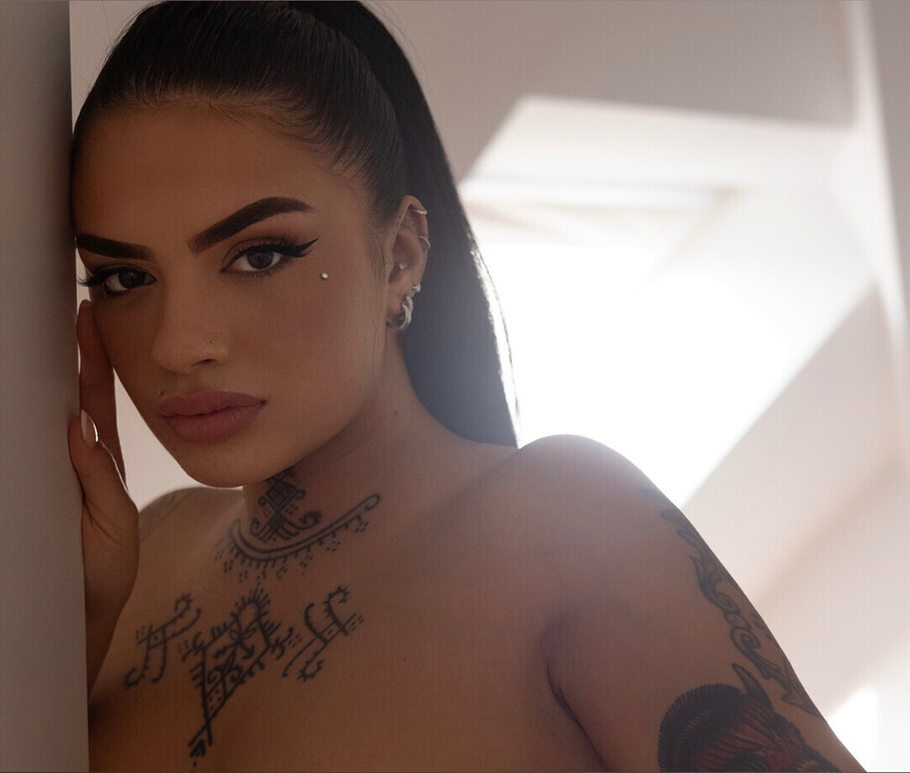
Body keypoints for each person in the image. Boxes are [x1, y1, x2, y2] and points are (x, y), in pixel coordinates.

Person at [66, 2, 863, 770]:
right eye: (124, 277)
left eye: (259, 255)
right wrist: (80, 626)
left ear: (400, 257)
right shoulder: (138, 564)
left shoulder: (569, 528)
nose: (178, 345)